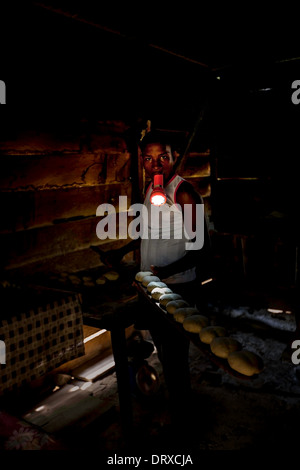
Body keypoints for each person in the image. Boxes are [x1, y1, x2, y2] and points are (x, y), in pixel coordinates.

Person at [92, 129, 211, 425]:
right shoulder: (151, 193)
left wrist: (164, 273)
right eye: (148, 158)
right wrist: (121, 252)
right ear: (143, 161)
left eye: (163, 157)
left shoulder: (184, 194)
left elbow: (202, 250)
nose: (155, 164)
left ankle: (184, 420)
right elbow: (149, 233)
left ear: (174, 158)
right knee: (164, 351)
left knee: (174, 358)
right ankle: (179, 410)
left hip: (176, 291)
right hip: (154, 288)